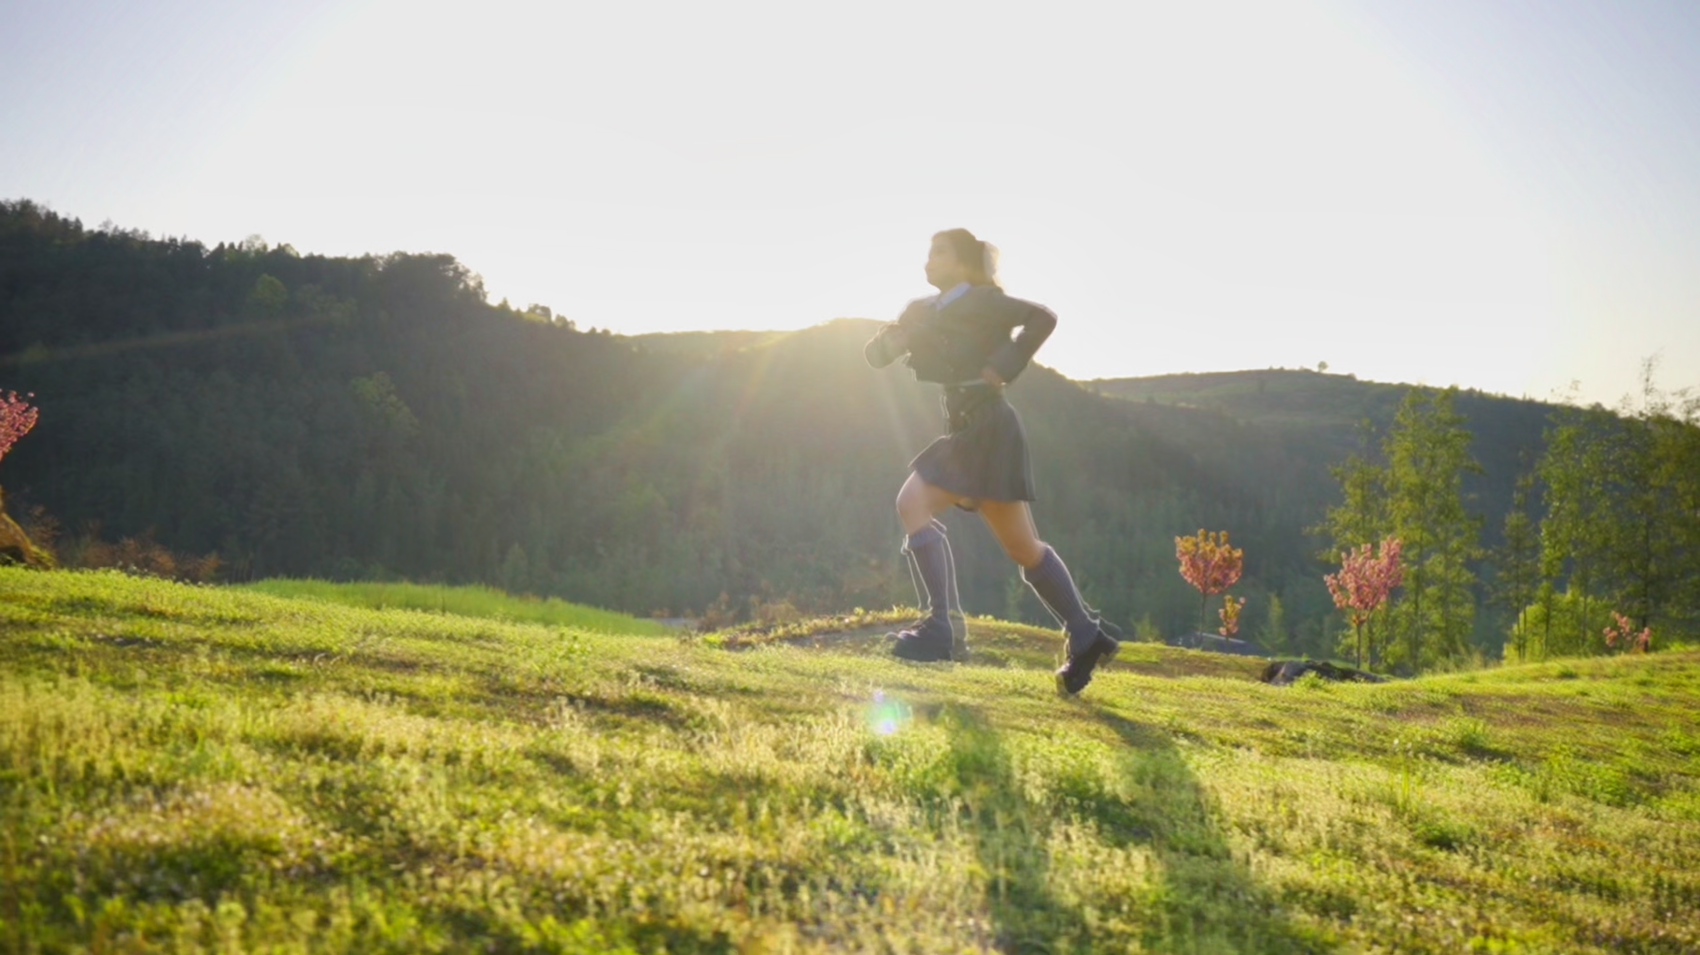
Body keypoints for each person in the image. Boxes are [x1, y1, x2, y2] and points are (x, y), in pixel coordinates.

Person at [865, 228, 1120, 696]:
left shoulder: (984, 301)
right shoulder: (921, 310)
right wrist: (895, 338)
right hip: (971, 428)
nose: (928, 261)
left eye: (939, 253)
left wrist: (1004, 364)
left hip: (989, 426)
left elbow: (1041, 319)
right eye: (927, 253)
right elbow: (876, 357)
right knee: (1023, 549)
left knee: (912, 503)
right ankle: (1086, 634)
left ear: (964, 263)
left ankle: (941, 628)